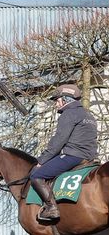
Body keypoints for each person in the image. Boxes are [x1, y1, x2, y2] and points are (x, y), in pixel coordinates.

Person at [31, 84, 98, 222]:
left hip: (72, 156)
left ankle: (51, 208)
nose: (56, 104)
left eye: (57, 100)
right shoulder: (89, 115)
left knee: (37, 175)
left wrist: (41, 161)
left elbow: (58, 141)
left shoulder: (68, 114)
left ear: (66, 99)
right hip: (89, 157)